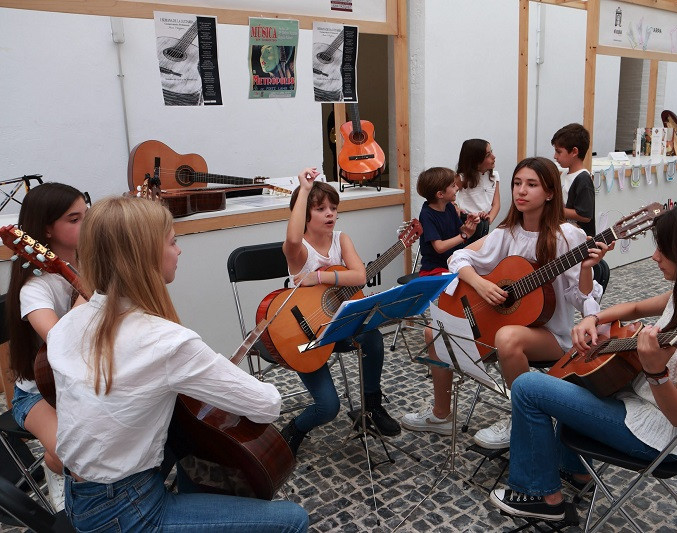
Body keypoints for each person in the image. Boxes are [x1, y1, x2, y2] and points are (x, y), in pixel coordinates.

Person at [46, 197, 308, 532]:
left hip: (80, 498)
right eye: (172, 241)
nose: (179, 250)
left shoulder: (67, 323)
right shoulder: (165, 341)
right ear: (145, 256)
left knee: (188, 443)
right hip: (129, 512)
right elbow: (268, 405)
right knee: (292, 521)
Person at [489, 201, 677, 521]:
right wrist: (592, 320)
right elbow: (636, 308)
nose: (654, 257)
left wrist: (656, 371)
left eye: (663, 250)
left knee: (528, 385)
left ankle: (541, 496)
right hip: (636, 404)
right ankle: (576, 472)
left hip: (655, 435)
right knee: (579, 376)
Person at [401, 157, 607, 449]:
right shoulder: (506, 232)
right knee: (434, 329)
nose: (521, 191)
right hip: (505, 324)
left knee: (506, 337)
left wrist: (586, 268)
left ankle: (522, 419)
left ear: (550, 193)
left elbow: (582, 297)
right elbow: (458, 257)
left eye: (531, 185)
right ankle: (441, 414)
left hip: (549, 334)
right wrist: (481, 283)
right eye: (517, 183)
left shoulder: (568, 236)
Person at [278, 169, 401, 456]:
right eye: (321, 209)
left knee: (372, 336)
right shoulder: (298, 250)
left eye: (333, 208)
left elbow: (359, 276)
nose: (330, 213)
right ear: (305, 214)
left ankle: (370, 407)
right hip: (304, 334)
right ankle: (295, 427)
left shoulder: (341, 239)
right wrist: (304, 190)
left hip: (336, 328)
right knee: (327, 407)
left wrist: (320, 278)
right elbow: (293, 238)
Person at [6, 183, 88, 510]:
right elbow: (60, 343)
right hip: (40, 391)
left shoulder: (93, 262)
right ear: (46, 230)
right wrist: (89, 290)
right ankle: (56, 471)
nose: (87, 224)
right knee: (79, 461)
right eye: (74, 219)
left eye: (87, 215)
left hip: (88, 382)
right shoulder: (35, 288)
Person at [417, 166, 480, 276]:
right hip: (434, 270)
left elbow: (461, 231)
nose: (457, 188)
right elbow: (439, 247)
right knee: (461, 281)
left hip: (455, 262)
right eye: (453, 185)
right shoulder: (426, 215)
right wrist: (464, 236)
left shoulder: (449, 207)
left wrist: (470, 224)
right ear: (440, 194)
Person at [552, 123, 595, 237]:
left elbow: (585, 215)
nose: (555, 156)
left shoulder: (583, 179)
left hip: (578, 240)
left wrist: (552, 209)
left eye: (559, 151)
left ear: (574, 152)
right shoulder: (564, 173)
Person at [455, 139, 501, 243]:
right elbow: (448, 196)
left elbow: (496, 203)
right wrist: (455, 206)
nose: (494, 157)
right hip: (466, 223)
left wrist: (489, 218)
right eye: (488, 155)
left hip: (483, 224)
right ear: (475, 161)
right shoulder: (461, 178)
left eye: (491, 152)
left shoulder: (494, 177)